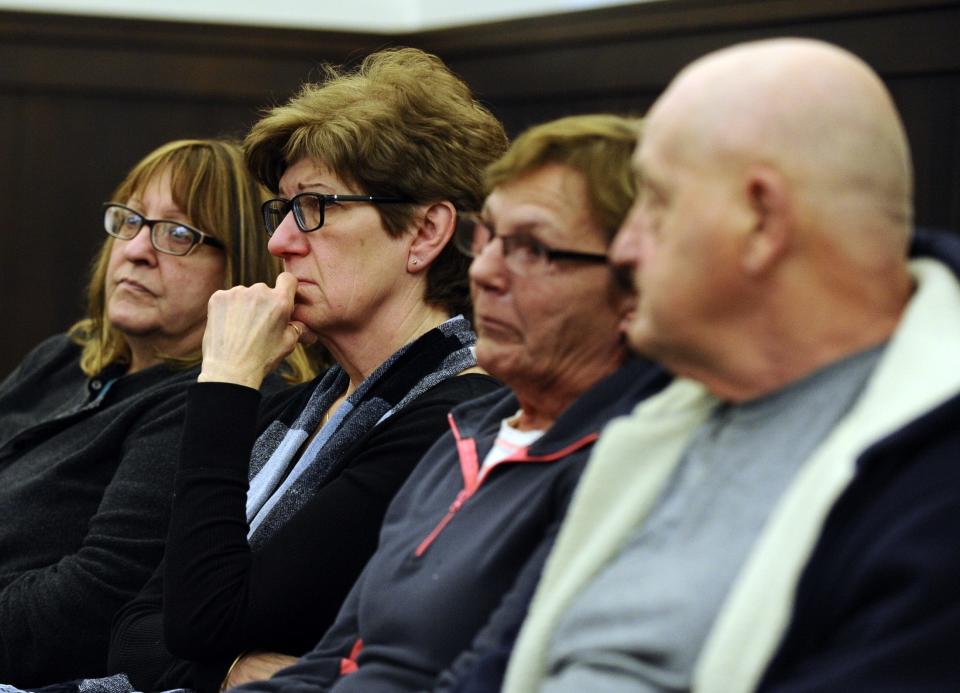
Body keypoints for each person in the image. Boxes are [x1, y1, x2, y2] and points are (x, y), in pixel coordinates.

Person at [501, 37, 960, 692]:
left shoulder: (935, 475)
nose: (625, 248)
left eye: (656, 201)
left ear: (762, 220)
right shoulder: (653, 399)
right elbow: (495, 660)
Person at [107, 47, 508, 692]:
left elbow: (199, 622)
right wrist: (230, 672)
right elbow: (132, 629)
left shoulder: (451, 418)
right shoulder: (304, 405)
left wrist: (228, 379)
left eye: (315, 207)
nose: (280, 242)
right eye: (283, 209)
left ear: (425, 233)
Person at [225, 114, 668, 693]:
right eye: (486, 243)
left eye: (529, 249)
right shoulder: (472, 434)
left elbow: (479, 672)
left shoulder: (608, 456)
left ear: (637, 284)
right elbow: (343, 654)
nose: (485, 272)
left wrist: (225, 382)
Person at [0, 138, 311, 685]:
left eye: (178, 234)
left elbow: (83, 613)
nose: (137, 249)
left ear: (239, 265)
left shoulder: (215, 398)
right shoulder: (67, 356)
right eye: (130, 220)